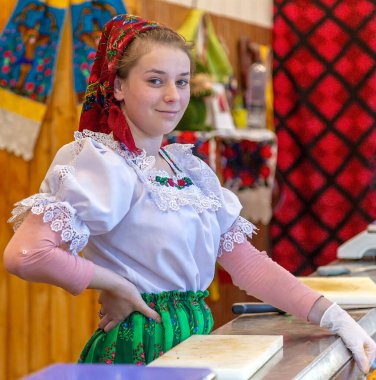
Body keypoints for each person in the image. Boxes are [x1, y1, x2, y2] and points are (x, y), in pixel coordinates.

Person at [3, 14, 376, 372]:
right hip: (140, 346)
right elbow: (26, 254)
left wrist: (334, 316)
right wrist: (114, 283)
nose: (172, 95)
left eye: (182, 82)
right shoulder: (102, 162)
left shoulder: (190, 170)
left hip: (195, 342)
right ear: (117, 86)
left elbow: (249, 265)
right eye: (154, 81)